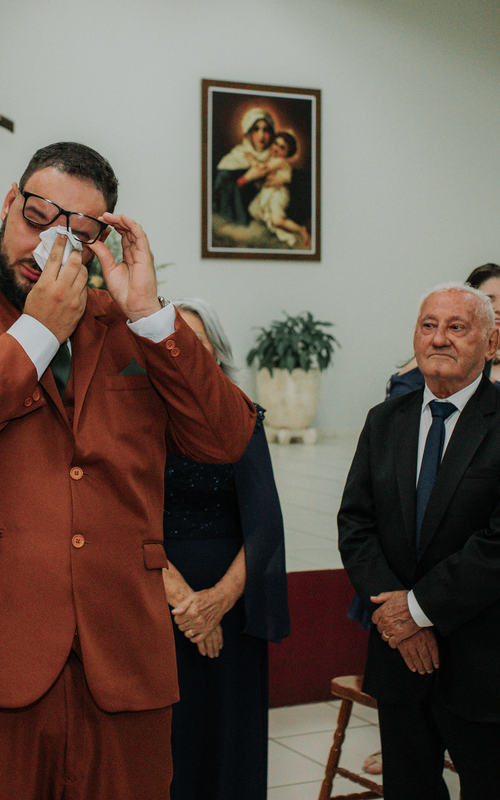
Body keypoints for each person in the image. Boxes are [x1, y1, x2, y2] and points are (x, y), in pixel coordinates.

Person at [0, 142, 257, 799]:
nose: (51, 247)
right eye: (38, 218)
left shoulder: (129, 329)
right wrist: (35, 335)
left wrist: (151, 316)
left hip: (121, 663)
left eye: (79, 235)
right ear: (7, 204)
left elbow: (225, 438)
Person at [338, 283, 500, 799]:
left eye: (457, 327)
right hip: (401, 664)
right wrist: (400, 623)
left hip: (490, 665)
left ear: (491, 341)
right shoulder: (384, 420)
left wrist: (416, 609)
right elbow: (355, 524)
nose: (439, 339)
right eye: (428, 325)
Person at [160, 299, 289, 800]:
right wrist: (185, 602)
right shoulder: (134, 419)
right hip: (154, 596)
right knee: (171, 736)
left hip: (233, 605)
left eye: (195, 344)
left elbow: (267, 521)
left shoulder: (240, 414)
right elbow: (124, 520)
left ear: (215, 354)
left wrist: (215, 602)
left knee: (230, 733)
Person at [241, 132, 310, 248]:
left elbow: (263, 168)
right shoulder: (273, 158)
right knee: (254, 210)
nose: (276, 148)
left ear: (288, 153)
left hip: (278, 195)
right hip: (270, 192)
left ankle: (301, 230)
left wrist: (251, 159)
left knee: (277, 221)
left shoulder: (281, 161)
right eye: (275, 144)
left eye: (282, 148)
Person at [211, 107, 273, 226]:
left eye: (266, 130)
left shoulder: (277, 159)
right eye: (256, 129)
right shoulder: (234, 159)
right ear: (248, 132)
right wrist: (246, 178)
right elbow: (219, 196)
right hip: (240, 229)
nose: (261, 135)